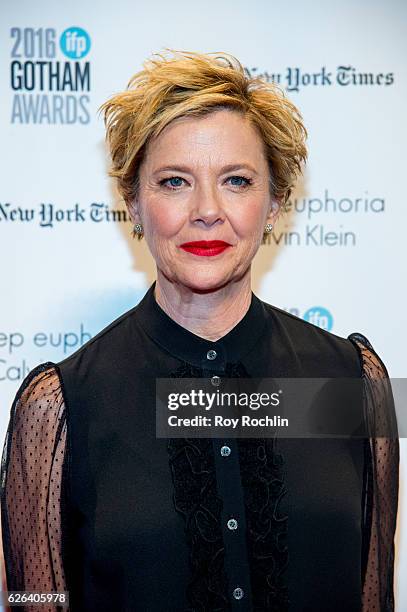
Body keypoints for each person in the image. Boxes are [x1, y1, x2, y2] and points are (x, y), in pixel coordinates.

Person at [0, 50, 399, 612]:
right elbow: (32, 599)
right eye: (174, 182)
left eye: (236, 180)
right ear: (134, 204)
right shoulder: (62, 407)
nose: (207, 210)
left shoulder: (352, 383)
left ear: (275, 201)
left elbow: (373, 595)